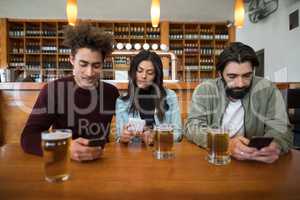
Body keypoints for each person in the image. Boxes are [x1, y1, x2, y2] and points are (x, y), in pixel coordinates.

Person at [21, 23, 119, 162]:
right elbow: (28, 137)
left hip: (102, 163)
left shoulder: (111, 92)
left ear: (103, 63)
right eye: (83, 64)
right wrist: (64, 148)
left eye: (96, 66)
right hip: (65, 163)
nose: (89, 73)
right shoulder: (53, 90)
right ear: (72, 59)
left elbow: (125, 126)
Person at [184, 42, 293, 163]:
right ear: (220, 74)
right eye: (232, 76)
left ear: (253, 72)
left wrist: (275, 145)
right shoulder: (205, 90)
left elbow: (282, 128)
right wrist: (226, 144)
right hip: (215, 159)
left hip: (256, 163)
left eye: (247, 75)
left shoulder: (267, 89)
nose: (240, 83)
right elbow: (193, 127)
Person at [116, 50, 182, 144]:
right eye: (139, 71)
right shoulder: (122, 102)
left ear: (156, 75)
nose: (143, 76)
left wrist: (156, 136)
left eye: (150, 73)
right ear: (133, 72)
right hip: (134, 155)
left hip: (161, 152)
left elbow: (178, 134)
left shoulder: (170, 97)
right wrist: (122, 138)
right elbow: (119, 137)